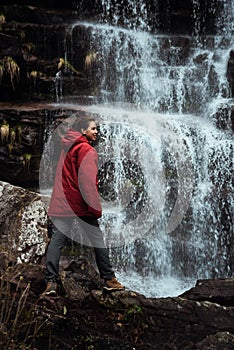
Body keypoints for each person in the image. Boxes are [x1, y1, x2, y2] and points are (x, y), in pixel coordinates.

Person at [42, 113, 124, 296]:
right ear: (82, 130)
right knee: (98, 241)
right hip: (79, 204)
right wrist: (94, 208)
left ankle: (51, 283)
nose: (96, 132)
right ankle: (109, 278)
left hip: (63, 202)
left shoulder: (67, 146)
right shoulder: (87, 150)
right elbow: (87, 183)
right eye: (93, 128)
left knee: (56, 241)